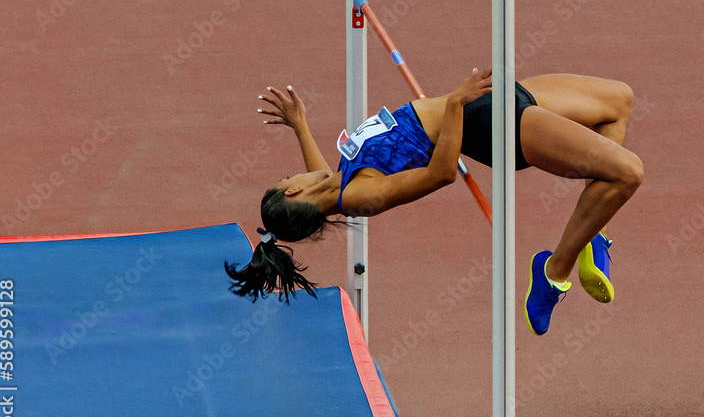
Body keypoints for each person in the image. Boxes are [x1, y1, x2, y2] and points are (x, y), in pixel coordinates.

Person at [225, 68, 642, 336]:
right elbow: (440, 174)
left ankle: (593, 235)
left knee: (617, 101)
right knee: (627, 173)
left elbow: (321, 181)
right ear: (292, 192)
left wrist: (300, 125)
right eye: (286, 179)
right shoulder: (361, 196)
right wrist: (457, 104)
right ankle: (553, 271)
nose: (293, 175)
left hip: (487, 103)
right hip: (487, 123)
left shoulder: (338, 184)